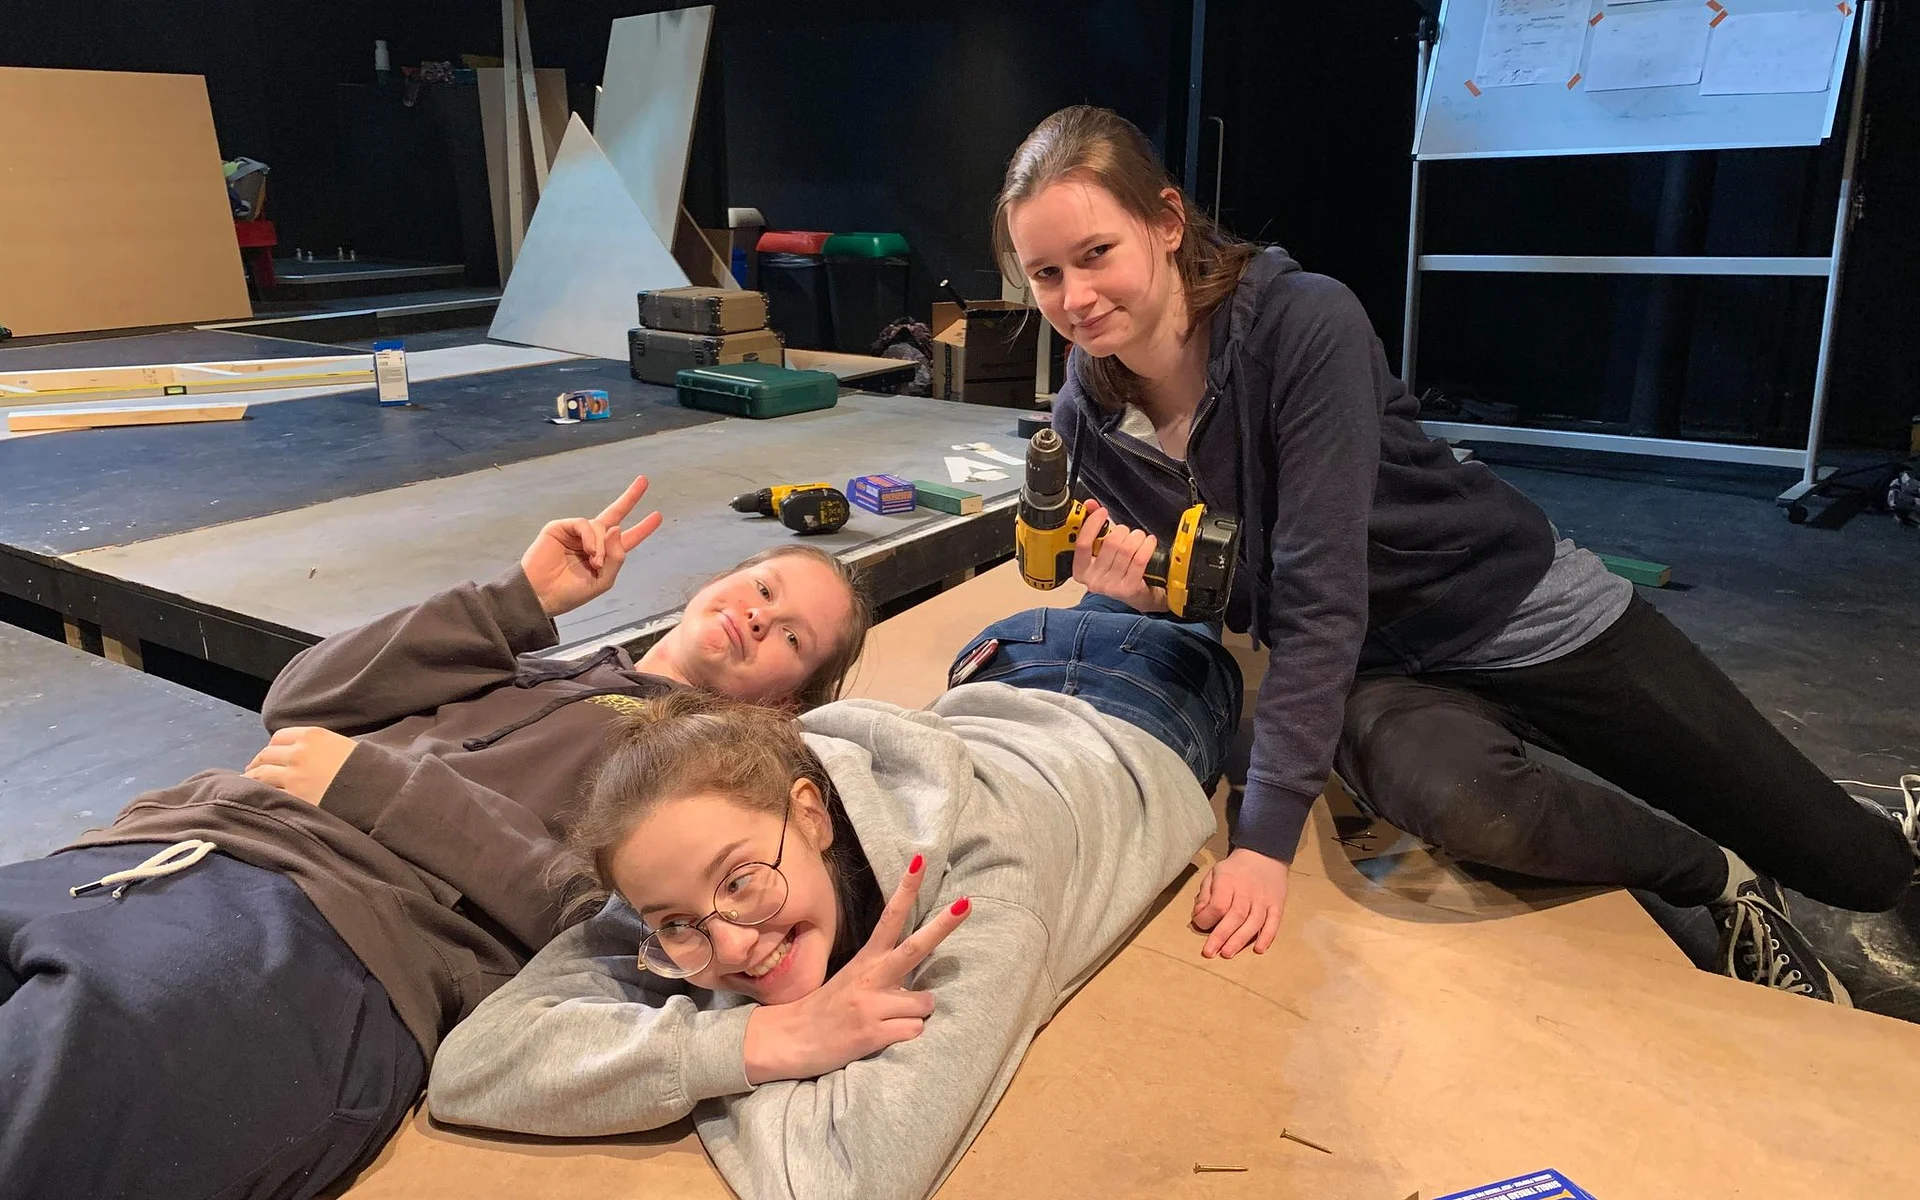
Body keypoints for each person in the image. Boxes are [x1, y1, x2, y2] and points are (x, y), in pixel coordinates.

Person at [993, 104, 1919, 998]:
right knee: (1467, 801)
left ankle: (1883, 822)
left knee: (1857, 868)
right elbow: (1231, 583)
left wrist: (1264, 839)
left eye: (1096, 253)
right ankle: (1714, 875)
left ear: (1165, 222)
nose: (1076, 298)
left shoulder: (1301, 323)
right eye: (1045, 274)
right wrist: (1152, 596)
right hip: (1375, 672)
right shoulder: (1086, 420)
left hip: (1512, 609)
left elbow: (1319, 588)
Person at [0, 476, 872, 1200]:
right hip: (155, 850)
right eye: (764, 589)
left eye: (792, 635)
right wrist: (517, 601)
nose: (760, 617)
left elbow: (602, 917)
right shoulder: (527, 667)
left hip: (324, 936)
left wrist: (375, 787)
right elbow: (299, 700)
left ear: (787, 702)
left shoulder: (699, 775)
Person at [426, 596, 1244, 1200]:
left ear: (812, 813)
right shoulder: (686, 859)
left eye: (740, 880)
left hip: (1148, 707)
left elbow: (841, 1179)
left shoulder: (982, 884)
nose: (731, 946)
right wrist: (757, 1042)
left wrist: (677, 1053)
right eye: (674, 922)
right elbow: (470, 1069)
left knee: (1202, 595)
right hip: (995, 664)